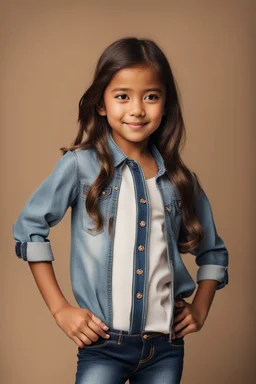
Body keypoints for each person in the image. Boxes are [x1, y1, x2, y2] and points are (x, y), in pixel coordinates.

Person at [12, 37, 229, 384]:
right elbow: (29, 229)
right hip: (103, 346)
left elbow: (214, 254)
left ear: (166, 104)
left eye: (151, 96)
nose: (138, 109)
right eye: (123, 95)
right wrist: (60, 308)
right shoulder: (80, 167)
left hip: (166, 349)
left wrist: (200, 307)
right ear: (101, 103)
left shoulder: (180, 179)